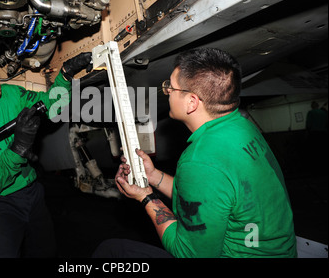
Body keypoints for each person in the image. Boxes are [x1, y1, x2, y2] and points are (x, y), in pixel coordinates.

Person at [93, 47, 297, 258]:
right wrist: (153, 176)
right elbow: (207, 199)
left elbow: (189, 254)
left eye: (170, 87)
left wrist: (146, 198)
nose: (167, 92)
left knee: (111, 251)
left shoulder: (200, 161)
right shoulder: (243, 126)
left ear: (191, 102)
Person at [0, 48, 92, 257]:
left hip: (32, 193)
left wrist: (66, 74)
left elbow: (50, 106)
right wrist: (17, 150)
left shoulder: (9, 95)